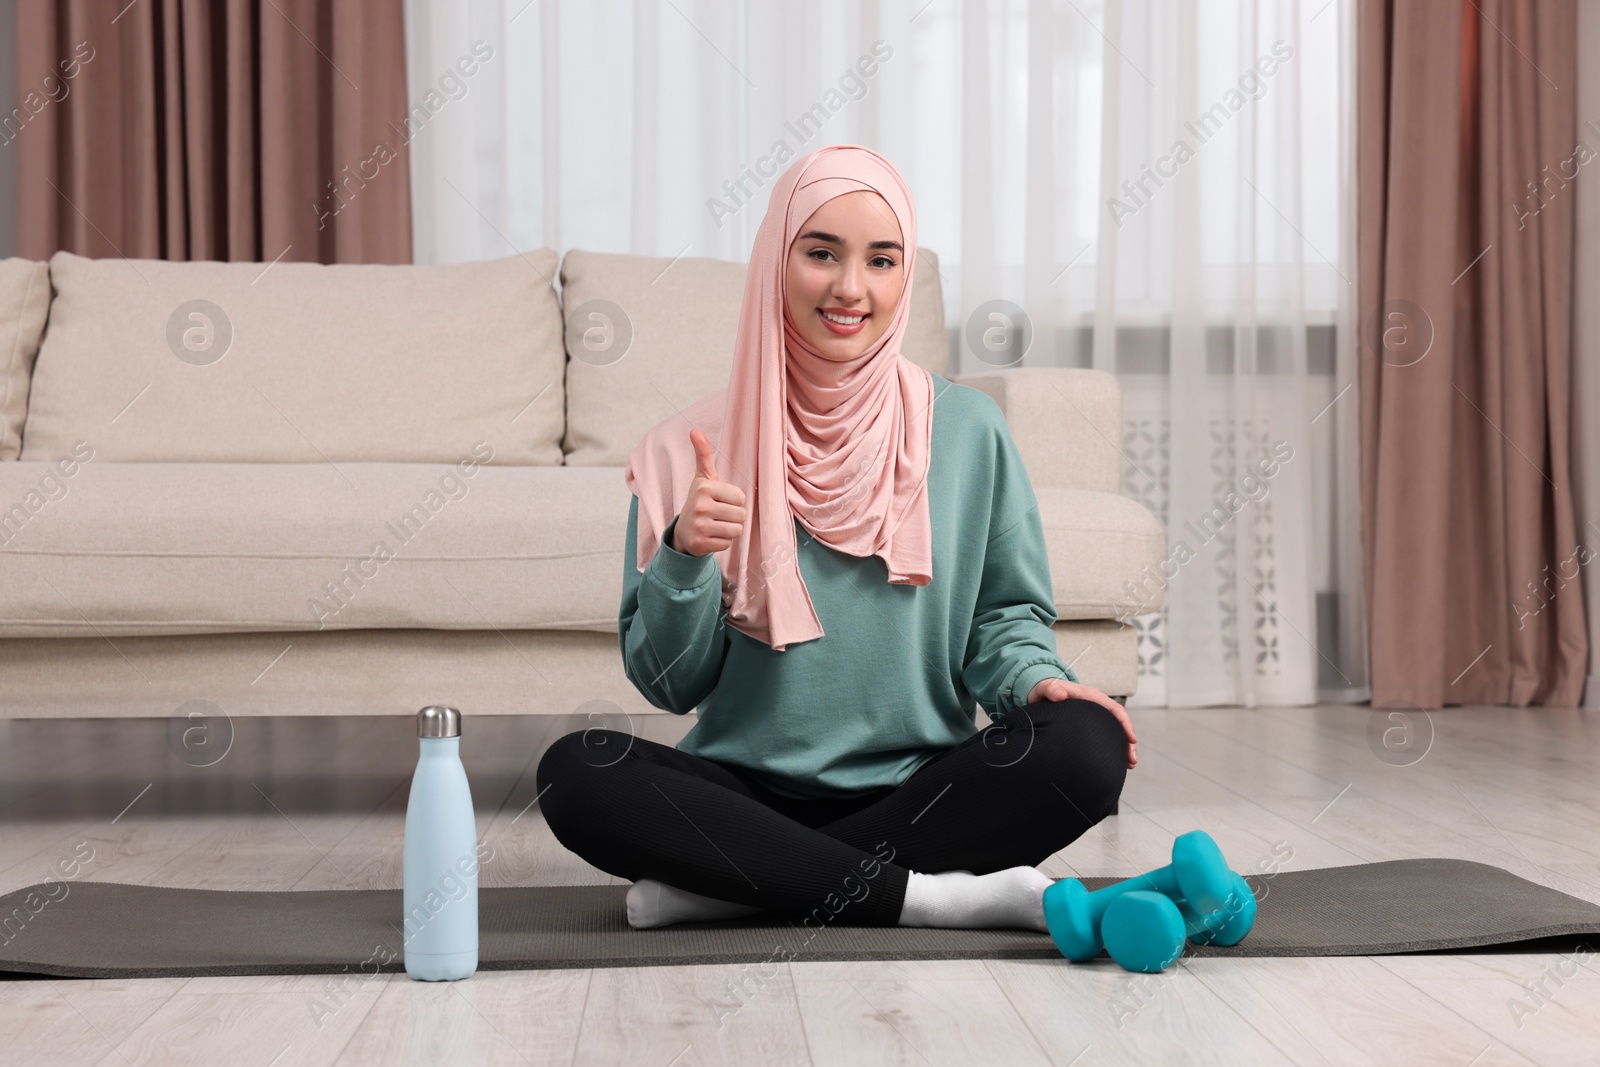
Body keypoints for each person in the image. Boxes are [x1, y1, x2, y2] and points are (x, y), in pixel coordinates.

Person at [535, 144, 1136, 933]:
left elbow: (1004, 621)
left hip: (925, 788)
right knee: (575, 772)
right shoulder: (687, 449)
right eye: (821, 253)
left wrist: (1035, 682)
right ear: (774, 263)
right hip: (744, 788)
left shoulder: (967, 430)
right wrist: (685, 554)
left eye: (882, 261)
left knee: (1086, 746)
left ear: (903, 280)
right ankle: (923, 895)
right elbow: (669, 685)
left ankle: (737, 883)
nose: (852, 288)